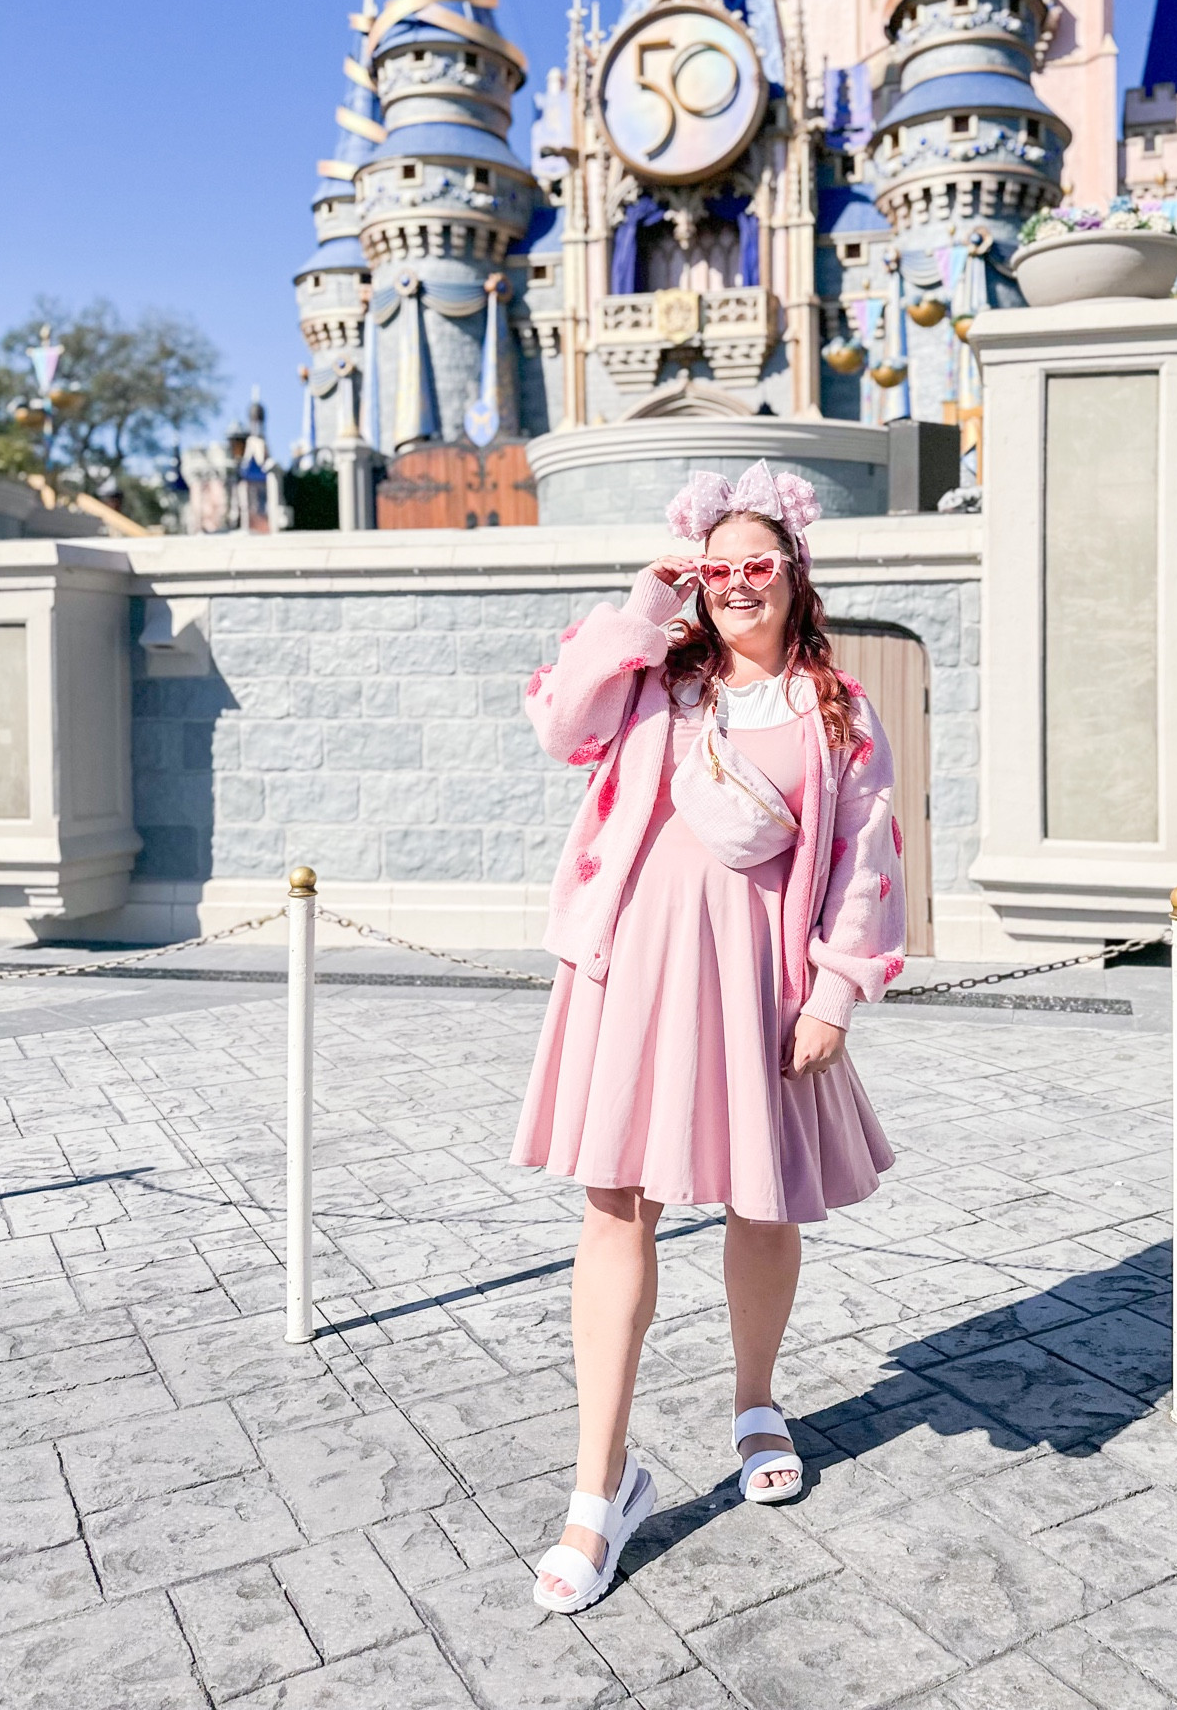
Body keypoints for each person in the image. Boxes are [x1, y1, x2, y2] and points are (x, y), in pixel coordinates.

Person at [512, 460, 907, 1613]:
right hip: (630, 970)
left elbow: (868, 858)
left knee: (761, 1198)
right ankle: (599, 1488)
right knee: (614, 1203)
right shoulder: (653, 678)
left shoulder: (838, 708)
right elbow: (559, 719)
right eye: (716, 567)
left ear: (795, 575)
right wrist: (646, 599)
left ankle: (755, 1400)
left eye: (758, 564)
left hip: (759, 984)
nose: (738, 583)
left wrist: (834, 992)